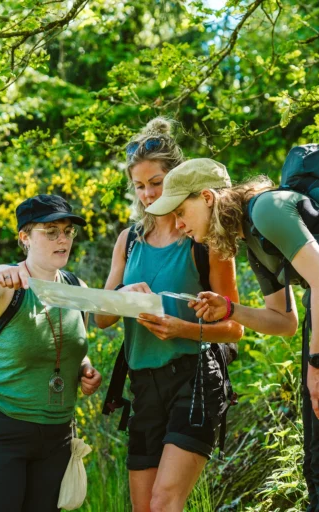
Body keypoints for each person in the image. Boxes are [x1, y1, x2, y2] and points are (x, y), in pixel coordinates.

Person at [145, 158, 319, 512]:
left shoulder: (268, 209)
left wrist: (318, 363)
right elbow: (284, 322)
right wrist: (231, 310)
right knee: (317, 468)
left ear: (206, 197)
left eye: (180, 211)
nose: (178, 224)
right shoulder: (250, 234)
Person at [95, 118, 243, 512]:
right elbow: (101, 319)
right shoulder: (128, 241)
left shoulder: (205, 239)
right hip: (142, 384)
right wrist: (123, 295)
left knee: (164, 502)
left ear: (176, 178)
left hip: (194, 378)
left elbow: (235, 327)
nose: (147, 194)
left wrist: (182, 327)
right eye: (140, 185)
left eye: (156, 182)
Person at [0, 194, 103, 512]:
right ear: (25, 237)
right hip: (0, 432)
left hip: (56, 437)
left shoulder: (78, 288)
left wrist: (84, 370)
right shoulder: (5, 286)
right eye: (51, 232)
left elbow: (71, 348)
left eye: (67, 231)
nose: (62, 239)